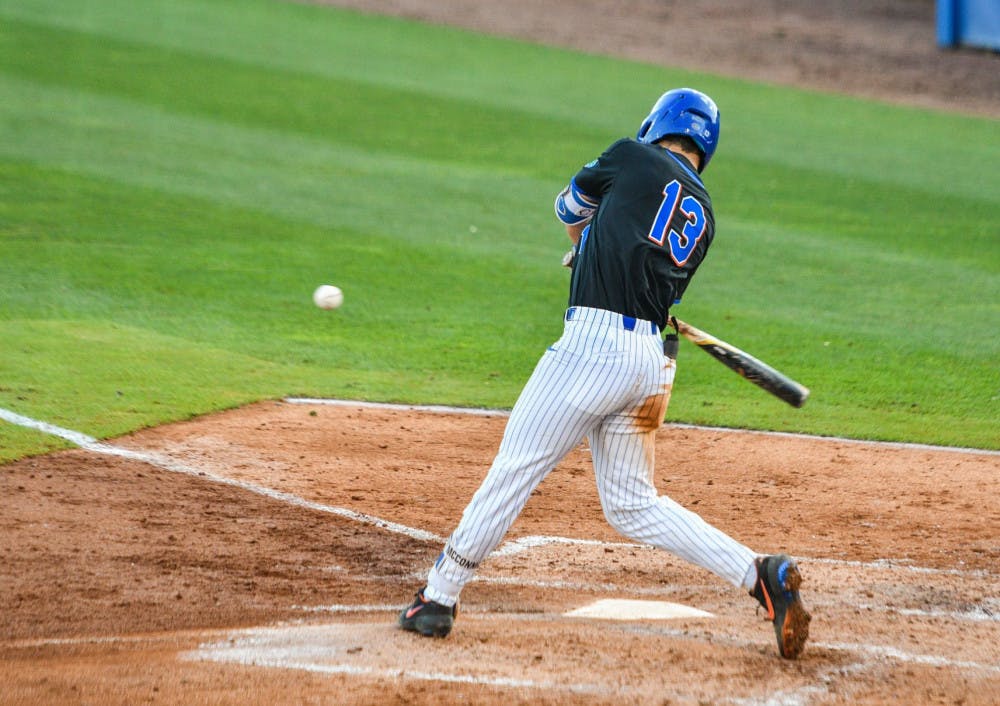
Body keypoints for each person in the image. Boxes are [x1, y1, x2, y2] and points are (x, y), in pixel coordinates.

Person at [398, 88, 811, 659]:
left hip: (590, 351)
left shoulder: (630, 155)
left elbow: (569, 210)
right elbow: (637, 257)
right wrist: (595, 248)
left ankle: (437, 598)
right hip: (649, 365)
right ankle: (759, 574)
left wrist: (581, 243)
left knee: (514, 470)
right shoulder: (705, 215)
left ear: (656, 124)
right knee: (633, 505)